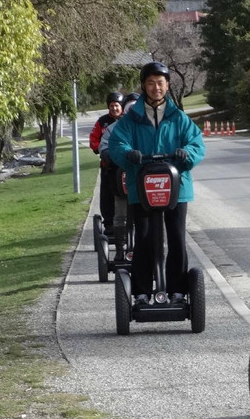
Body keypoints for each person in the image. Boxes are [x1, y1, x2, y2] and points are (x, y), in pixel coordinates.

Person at [107, 63, 205, 306]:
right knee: (144, 237)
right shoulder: (131, 119)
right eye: (151, 83)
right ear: (144, 86)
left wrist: (186, 154)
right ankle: (141, 292)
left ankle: (178, 291)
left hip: (176, 187)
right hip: (142, 187)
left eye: (160, 83)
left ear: (168, 86)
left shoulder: (178, 117)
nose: (156, 87)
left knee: (177, 238)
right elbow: (117, 144)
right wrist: (128, 154)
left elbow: (197, 144)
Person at [88, 92, 124, 237]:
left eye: (117, 106)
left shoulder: (129, 121)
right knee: (107, 194)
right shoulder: (102, 122)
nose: (114, 108)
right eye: (111, 106)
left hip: (124, 166)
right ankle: (109, 223)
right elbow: (94, 139)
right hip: (108, 166)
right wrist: (101, 151)